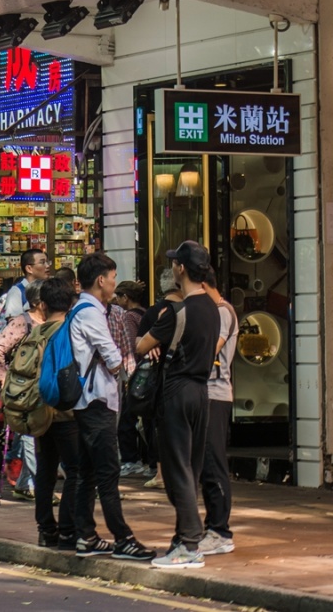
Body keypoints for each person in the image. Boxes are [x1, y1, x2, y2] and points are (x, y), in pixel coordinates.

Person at [137, 241, 220, 569]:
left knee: (177, 471)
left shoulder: (178, 311)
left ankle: (189, 543)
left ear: (181, 269)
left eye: (174, 262)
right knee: (191, 468)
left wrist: (148, 343)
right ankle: (182, 539)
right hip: (202, 392)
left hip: (177, 391)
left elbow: (142, 346)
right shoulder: (213, 307)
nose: (172, 266)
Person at [70, 253, 154, 561]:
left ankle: (86, 536)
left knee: (89, 472)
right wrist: (123, 363)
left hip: (87, 401)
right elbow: (114, 357)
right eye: (113, 277)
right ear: (101, 280)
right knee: (107, 471)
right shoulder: (91, 312)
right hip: (97, 402)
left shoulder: (82, 309)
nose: (115, 283)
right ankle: (123, 538)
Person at [25, 278, 81, 549]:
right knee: (76, 470)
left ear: (43, 305)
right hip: (66, 412)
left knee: (46, 470)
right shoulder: (70, 332)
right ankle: (68, 529)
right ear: (71, 303)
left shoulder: (35, 333)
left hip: (39, 412)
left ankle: (46, 528)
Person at [0, 281, 44, 501]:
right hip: (23, 389)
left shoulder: (52, 321)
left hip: (43, 387)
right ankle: (40, 485)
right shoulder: (22, 322)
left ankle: (23, 483)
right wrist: (3, 379)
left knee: (27, 436)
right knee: (30, 436)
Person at [199, 268, 238, 557]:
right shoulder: (213, 311)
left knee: (213, 463)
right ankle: (212, 526)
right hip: (205, 394)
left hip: (216, 394)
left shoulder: (223, 312)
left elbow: (211, 349)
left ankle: (220, 531)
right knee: (205, 464)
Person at [137, 269, 183, 488]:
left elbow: (139, 343)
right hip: (179, 376)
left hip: (158, 377)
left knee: (157, 424)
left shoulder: (153, 312)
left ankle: (160, 471)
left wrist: (149, 347)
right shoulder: (184, 310)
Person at [115, 280, 149, 477]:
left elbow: (129, 347)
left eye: (119, 297)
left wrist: (129, 374)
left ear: (125, 298)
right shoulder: (144, 313)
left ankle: (131, 459)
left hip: (135, 371)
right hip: (147, 369)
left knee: (126, 419)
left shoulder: (128, 317)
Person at [0, 249, 50, 337]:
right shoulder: (17, 291)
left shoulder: (47, 289)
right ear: (29, 268)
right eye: (42, 262)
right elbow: (15, 326)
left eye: (48, 262)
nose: (47, 266)